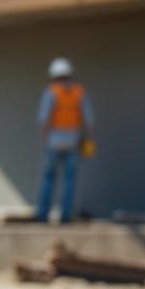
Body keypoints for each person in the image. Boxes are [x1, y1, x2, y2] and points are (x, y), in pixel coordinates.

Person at [35, 57, 93, 223]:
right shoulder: (78, 92)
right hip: (73, 140)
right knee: (70, 180)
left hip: (53, 140)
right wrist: (88, 140)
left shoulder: (51, 91)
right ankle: (65, 215)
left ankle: (43, 215)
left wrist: (44, 140)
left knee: (48, 178)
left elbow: (43, 119)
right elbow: (89, 120)